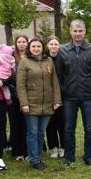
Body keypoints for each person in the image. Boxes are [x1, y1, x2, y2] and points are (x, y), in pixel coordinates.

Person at [56, 20, 91, 167]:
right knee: (69, 128)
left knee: (89, 128)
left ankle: (89, 156)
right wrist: (60, 95)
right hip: (69, 97)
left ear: (84, 31)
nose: (78, 34)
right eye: (75, 31)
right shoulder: (63, 50)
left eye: (80, 31)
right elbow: (58, 76)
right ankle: (69, 157)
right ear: (70, 31)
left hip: (88, 97)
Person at [18, 37, 62, 171]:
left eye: (38, 46)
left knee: (40, 133)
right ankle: (34, 159)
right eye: (33, 47)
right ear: (29, 48)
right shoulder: (24, 62)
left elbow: (54, 81)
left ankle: (37, 156)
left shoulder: (48, 61)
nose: (36, 49)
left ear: (43, 47)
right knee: (32, 132)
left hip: (47, 104)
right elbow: (20, 85)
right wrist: (24, 103)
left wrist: (57, 100)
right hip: (31, 104)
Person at [7, 35, 30, 162]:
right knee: (15, 123)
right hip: (13, 95)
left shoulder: (30, 57)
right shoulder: (10, 58)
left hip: (28, 95)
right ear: (16, 44)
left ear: (27, 43)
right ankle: (17, 151)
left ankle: (27, 151)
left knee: (27, 123)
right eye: (19, 42)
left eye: (24, 42)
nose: (21, 44)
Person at [45, 36, 66, 158]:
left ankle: (63, 147)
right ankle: (53, 147)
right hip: (47, 96)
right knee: (50, 124)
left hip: (62, 96)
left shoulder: (63, 58)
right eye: (51, 44)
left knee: (62, 123)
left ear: (59, 45)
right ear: (48, 46)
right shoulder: (44, 59)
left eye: (56, 44)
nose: (53, 46)